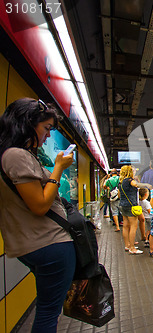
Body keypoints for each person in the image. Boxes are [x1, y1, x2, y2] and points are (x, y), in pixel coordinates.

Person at [0, 98, 76, 332]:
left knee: (47, 309)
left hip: (36, 244)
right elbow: (40, 205)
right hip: (49, 243)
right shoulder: (16, 156)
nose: (49, 135)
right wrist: (59, 169)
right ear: (27, 123)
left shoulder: (12, 155)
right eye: (47, 128)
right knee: (48, 313)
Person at [118, 165, 151, 254]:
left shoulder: (120, 182)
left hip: (123, 205)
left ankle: (127, 245)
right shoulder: (129, 180)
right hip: (131, 206)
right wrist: (145, 184)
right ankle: (132, 248)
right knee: (133, 226)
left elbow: (119, 195)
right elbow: (135, 184)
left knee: (125, 226)